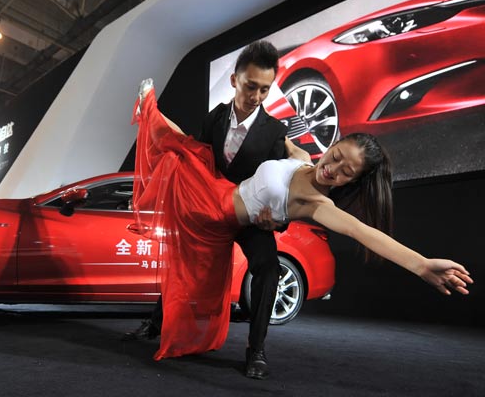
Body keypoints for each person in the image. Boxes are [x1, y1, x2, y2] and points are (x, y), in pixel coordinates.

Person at [128, 77, 473, 378]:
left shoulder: (320, 204)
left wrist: (422, 264)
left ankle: (255, 350)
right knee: (186, 151)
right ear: (333, 145)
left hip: (221, 218)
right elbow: (280, 132)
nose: (333, 169)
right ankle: (149, 108)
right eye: (336, 155)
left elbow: (362, 232)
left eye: (345, 172)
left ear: (353, 180)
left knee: (264, 270)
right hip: (217, 191)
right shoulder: (304, 159)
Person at [123, 40, 311, 380]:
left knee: (267, 268)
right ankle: (156, 324)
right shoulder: (215, 118)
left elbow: (294, 169)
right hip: (210, 210)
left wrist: (274, 217)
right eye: (251, 86)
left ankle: (256, 349)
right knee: (181, 261)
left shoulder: (276, 132)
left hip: (248, 218)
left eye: (264, 90)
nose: (256, 96)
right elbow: (195, 155)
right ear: (235, 80)